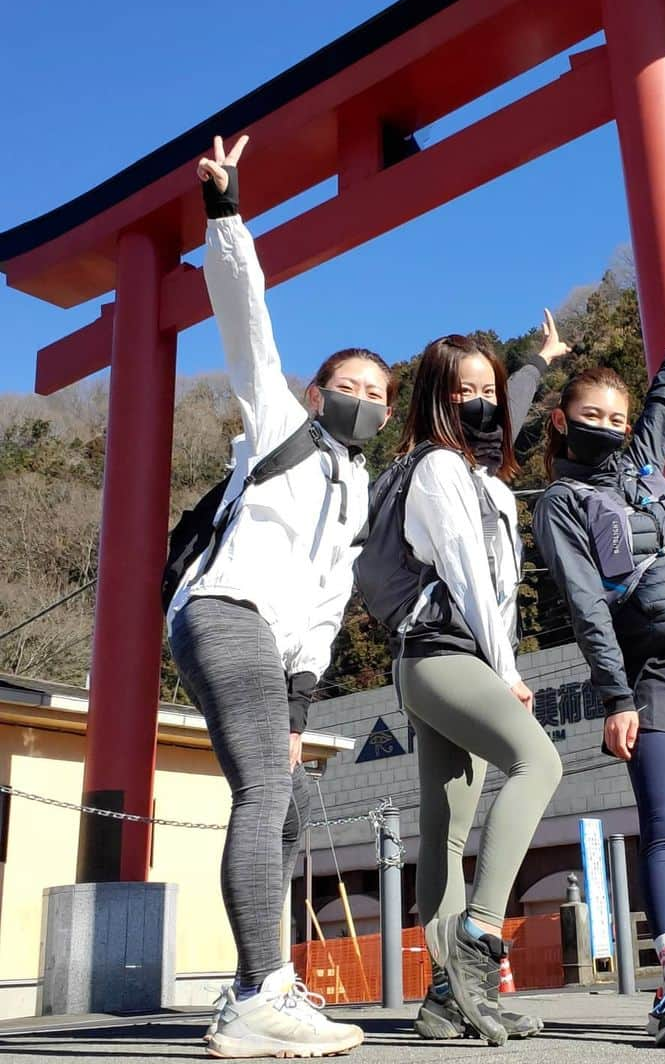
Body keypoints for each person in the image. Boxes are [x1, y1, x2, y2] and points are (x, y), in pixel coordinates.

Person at [167, 135, 393, 1059]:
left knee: (286, 800)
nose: (365, 401)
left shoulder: (359, 491)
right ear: (315, 391)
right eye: (350, 386)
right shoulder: (283, 425)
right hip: (224, 610)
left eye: (380, 392)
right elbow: (245, 314)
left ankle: (260, 985)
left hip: (273, 643)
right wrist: (226, 211)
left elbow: (325, 611)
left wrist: (302, 705)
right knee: (265, 791)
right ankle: (259, 991)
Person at [531, 287, 665, 1049]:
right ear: (562, 420)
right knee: (663, 829)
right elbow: (588, 605)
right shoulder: (562, 501)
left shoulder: (640, 464)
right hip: (649, 670)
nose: (609, 429)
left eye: (616, 420)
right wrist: (614, 694)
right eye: (591, 416)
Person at [389, 329, 566, 1048]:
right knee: (541, 762)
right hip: (445, 655)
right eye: (464, 391)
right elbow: (466, 576)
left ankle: (447, 998)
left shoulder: (483, 475)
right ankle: (479, 940)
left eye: (487, 391)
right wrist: (509, 670)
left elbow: (508, 401)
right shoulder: (437, 469)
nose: (482, 403)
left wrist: (535, 366)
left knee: (446, 827)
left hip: (443, 658)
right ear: (437, 395)